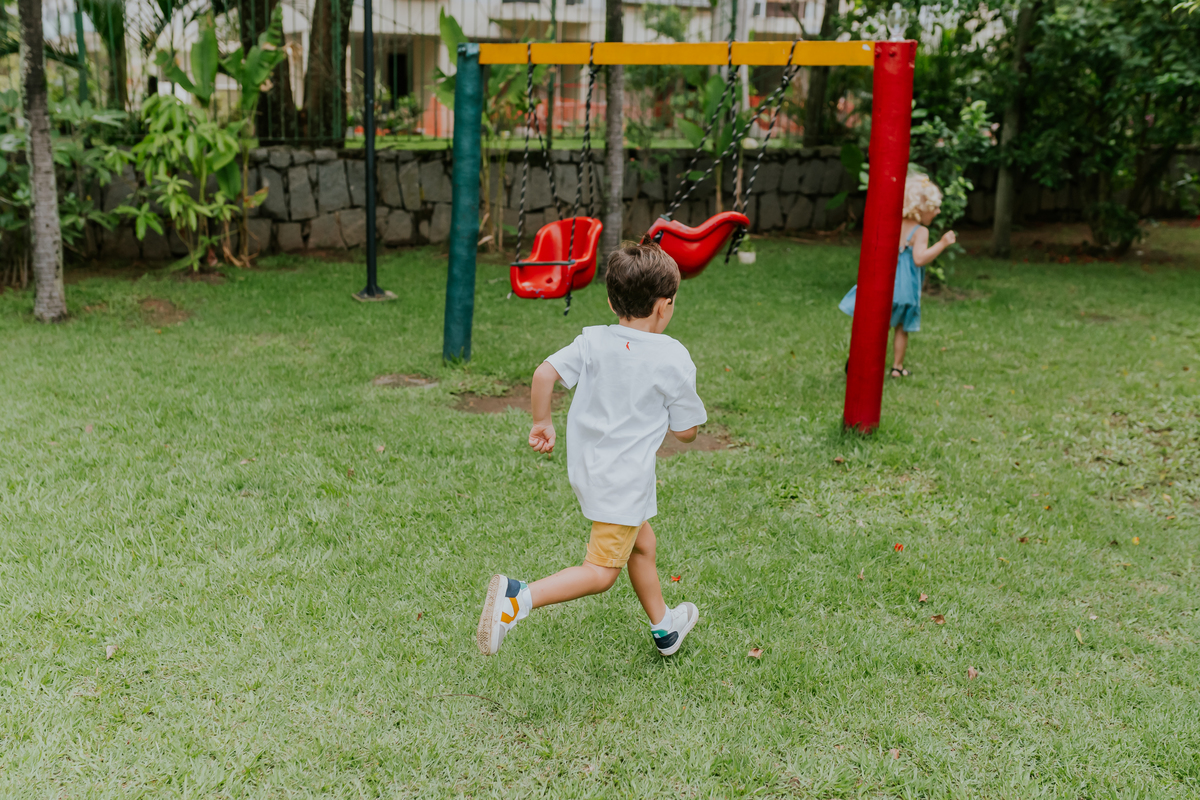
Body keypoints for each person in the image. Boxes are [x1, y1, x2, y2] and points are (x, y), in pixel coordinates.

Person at [477, 243, 708, 658]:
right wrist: (682, 425)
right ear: (664, 306)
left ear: (611, 301)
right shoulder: (673, 356)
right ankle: (517, 599)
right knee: (601, 573)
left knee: (642, 544)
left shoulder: (593, 341)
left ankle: (665, 627)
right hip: (624, 479)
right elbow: (686, 431)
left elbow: (544, 373)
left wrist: (542, 422)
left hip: (590, 469)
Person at [838, 172, 957, 377]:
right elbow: (919, 259)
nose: (938, 211)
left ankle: (861, 358)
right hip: (904, 287)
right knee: (901, 327)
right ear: (921, 208)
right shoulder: (921, 231)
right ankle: (897, 367)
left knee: (877, 325)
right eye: (935, 207)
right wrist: (942, 244)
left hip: (884, 280)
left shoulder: (894, 222)